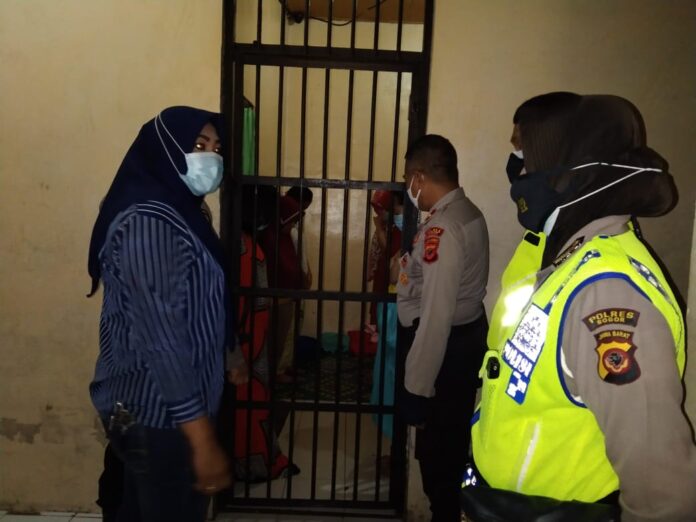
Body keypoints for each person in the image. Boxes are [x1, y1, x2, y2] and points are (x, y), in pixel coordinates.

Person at [467, 93, 696, 522]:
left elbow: (664, 495)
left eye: (530, 160)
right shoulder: (566, 255)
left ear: (570, 169)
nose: (519, 174)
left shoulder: (608, 294)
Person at [87, 106, 235, 522]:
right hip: (160, 414)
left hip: (164, 410)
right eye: (198, 145)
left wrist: (231, 352)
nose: (210, 158)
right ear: (165, 150)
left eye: (216, 148)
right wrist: (201, 438)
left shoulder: (183, 214)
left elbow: (200, 299)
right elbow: (162, 339)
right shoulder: (149, 224)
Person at [397, 134, 489, 522]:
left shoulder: (444, 229)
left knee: (438, 459)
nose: (408, 187)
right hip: (461, 343)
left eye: (407, 178)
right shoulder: (466, 212)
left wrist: (416, 389)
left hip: (444, 352)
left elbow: (435, 317)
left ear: (418, 177)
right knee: (448, 448)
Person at [368, 190, 404, 444]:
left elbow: (394, 273)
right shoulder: (396, 229)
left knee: (392, 368)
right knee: (388, 365)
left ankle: (394, 431)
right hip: (391, 301)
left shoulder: (411, 232)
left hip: (398, 304)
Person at [259, 194, 305, 384]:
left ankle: (272, 377)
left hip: (287, 298)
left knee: (281, 341)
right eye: (291, 220)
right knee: (271, 342)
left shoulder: (284, 238)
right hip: (274, 300)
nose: (293, 225)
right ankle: (268, 379)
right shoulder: (270, 238)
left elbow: (292, 265)